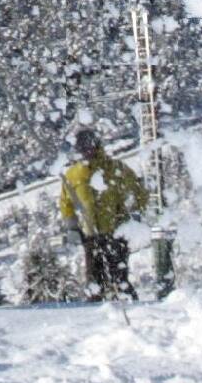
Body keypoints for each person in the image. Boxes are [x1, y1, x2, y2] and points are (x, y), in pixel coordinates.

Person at [59, 127, 148, 300]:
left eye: (89, 147)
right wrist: (72, 227)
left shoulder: (114, 168)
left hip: (116, 232)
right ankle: (97, 315)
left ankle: (130, 309)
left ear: (97, 145)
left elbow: (138, 191)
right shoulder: (73, 175)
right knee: (94, 281)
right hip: (90, 235)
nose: (87, 151)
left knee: (119, 277)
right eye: (82, 148)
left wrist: (135, 215)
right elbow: (66, 203)